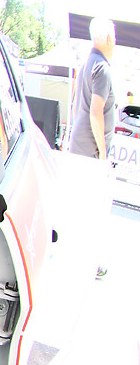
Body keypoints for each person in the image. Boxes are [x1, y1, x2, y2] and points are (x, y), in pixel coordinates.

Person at [68, 16, 117, 280]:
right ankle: (89, 263)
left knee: (79, 206)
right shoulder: (103, 70)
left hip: (79, 144)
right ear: (109, 39)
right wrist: (104, 153)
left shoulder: (87, 63)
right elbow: (96, 113)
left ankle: (78, 257)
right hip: (91, 151)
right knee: (93, 208)